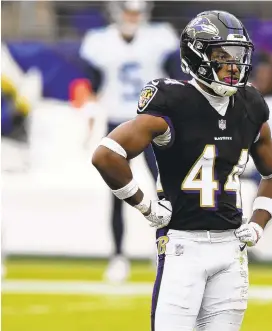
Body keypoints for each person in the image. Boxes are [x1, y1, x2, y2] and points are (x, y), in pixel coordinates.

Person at [92, 10, 272, 331]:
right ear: (197, 56)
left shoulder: (250, 104)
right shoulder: (174, 101)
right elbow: (107, 154)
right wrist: (144, 204)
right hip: (183, 244)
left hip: (231, 247)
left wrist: (258, 225)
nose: (233, 66)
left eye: (239, 56)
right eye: (222, 56)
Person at [78, 0, 178, 282]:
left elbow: (175, 77)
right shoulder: (100, 41)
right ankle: (118, 255)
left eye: (137, 11)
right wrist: (86, 112)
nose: (132, 17)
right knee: (118, 193)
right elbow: (91, 84)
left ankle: (166, 246)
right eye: (128, 11)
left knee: (165, 187)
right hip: (116, 123)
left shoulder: (159, 38)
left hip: (151, 122)